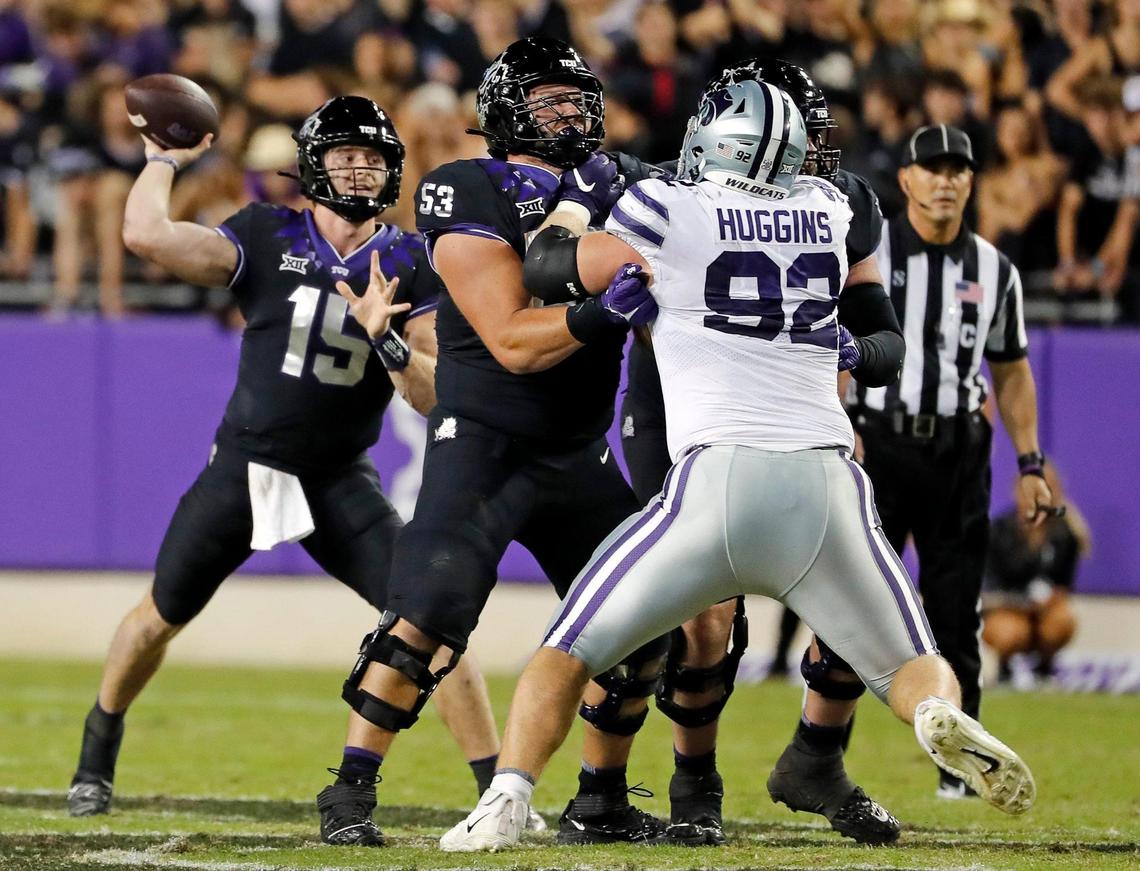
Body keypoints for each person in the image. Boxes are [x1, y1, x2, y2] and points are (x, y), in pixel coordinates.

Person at [440, 78, 1036, 853]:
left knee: (567, 648)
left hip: (715, 482)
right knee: (916, 662)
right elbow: (867, 327)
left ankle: (509, 794)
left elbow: (550, 267)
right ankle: (932, 713)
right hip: (826, 482)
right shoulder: (827, 212)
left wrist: (580, 203)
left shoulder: (664, 205)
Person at [66, 96, 502, 822]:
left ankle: (497, 791)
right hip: (248, 468)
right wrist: (161, 161)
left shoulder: (409, 260)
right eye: (345, 156)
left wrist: (387, 342)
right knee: (156, 618)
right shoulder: (268, 234)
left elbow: (433, 398)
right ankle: (96, 749)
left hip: (339, 478)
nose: (360, 170)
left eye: (371, 158)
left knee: (431, 620)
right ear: (312, 165)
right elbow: (145, 235)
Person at [313, 36, 672, 848]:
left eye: (579, 98)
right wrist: (601, 311)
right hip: (485, 441)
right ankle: (349, 792)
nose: (571, 112)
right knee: (424, 620)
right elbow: (511, 339)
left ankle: (601, 798)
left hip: (579, 451)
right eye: (548, 98)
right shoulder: (463, 185)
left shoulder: (622, 188)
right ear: (507, 107)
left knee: (644, 628)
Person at [613, 58, 904, 846]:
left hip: (797, 421)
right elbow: (574, 261)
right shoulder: (672, 193)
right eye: (784, 136)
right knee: (704, 616)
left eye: (808, 136)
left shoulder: (843, 205)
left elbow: (886, 341)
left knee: (853, 588)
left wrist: (848, 351)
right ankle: (692, 780)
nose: (801, 154)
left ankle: (818, 755)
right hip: (683, 409)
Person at [840, 122, 1060, 798]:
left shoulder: (994, 269)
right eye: (931, 169)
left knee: (955, 611)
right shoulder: (869, 252)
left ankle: (958, 772)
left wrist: (1030, 460)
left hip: (959, 450)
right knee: (853, 604)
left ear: (972, 182)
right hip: (878, 440)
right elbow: (830, 340)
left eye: (957, 170)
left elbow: (1013, 371)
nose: (945, 180)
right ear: (905, 180)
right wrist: (840, 419)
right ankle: (825, 755)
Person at [983, 465, 1087, 685]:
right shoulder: (998, 531)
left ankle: (1045, 666)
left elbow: (1063, 586)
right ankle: (1005, 667)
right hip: (1006, 608)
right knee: (1010, 631)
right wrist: (1021, 604)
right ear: (1018, 492)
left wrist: (1051, 600)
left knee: (1062, 621)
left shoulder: (1065, 534)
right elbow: (987, 590)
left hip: (1044, 611)